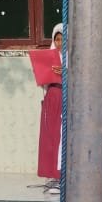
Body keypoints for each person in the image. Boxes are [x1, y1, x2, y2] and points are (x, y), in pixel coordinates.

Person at [37, 23, 64, 183]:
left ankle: (63, 175)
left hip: (67, 98)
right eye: (57, 39)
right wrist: (42, 74)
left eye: (63, 39)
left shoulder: (73, 58)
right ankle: (52, 175)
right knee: (50, 136)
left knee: (62, 136)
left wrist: (66, 72)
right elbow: (44, 81)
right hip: (52, 97)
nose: (60, 43)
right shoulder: (50, 57)